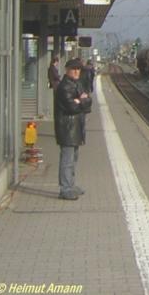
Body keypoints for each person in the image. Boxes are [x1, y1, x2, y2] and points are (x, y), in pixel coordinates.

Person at [54, 58, 92, 200]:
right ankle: (65, 188)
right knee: (67, 159)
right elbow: (72, 107)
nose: (76, 72)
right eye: (74, 69)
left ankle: (71, 184)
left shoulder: (76, 84)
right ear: (67, 70)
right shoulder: (65, 87)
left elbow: (88, 103)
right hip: (67, 128)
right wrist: (81, 100)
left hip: (75, 128)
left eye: (78, 69)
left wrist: (80, 100)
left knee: (73, 158)